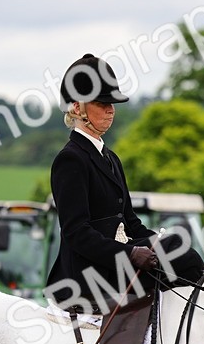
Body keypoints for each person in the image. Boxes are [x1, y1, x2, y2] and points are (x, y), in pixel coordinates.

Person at [46, 53, 160, 311]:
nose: (110, 109)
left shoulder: (111, 159)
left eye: (112, 103)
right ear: (77, 107)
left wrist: (159, 246)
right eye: (101, 103)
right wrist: (130, 254)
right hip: (87, 283)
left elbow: (130, 222)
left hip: (117, 273)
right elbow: (77, 233)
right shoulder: (70, 160)